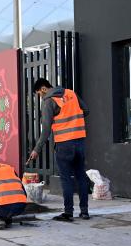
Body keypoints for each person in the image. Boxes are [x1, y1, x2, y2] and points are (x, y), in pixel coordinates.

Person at [26, 78, 90, 221]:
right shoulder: (71, 93)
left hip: (64, 145)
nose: (40, 97)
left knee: (66, 179)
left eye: (39, 94)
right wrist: (73, 121)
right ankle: (84, 211)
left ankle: (68, 212)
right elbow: (86, 111)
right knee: (80, 177)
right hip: (79, 141)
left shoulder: (49, 101)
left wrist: (36, 149)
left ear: (43, 89)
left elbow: (46, 130)